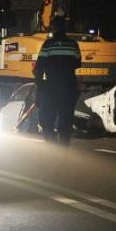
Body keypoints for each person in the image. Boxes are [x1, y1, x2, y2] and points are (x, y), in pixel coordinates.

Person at [33, 16, 81, 146]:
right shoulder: (73, 45)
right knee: (65, 121)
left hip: (51, 88)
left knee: (46, 120)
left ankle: (52, 146)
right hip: (68, 88)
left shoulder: (48, 44)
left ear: (54, 28)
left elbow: (38, 68)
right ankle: (64, 149)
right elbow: (77, 64)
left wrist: (39, 85)